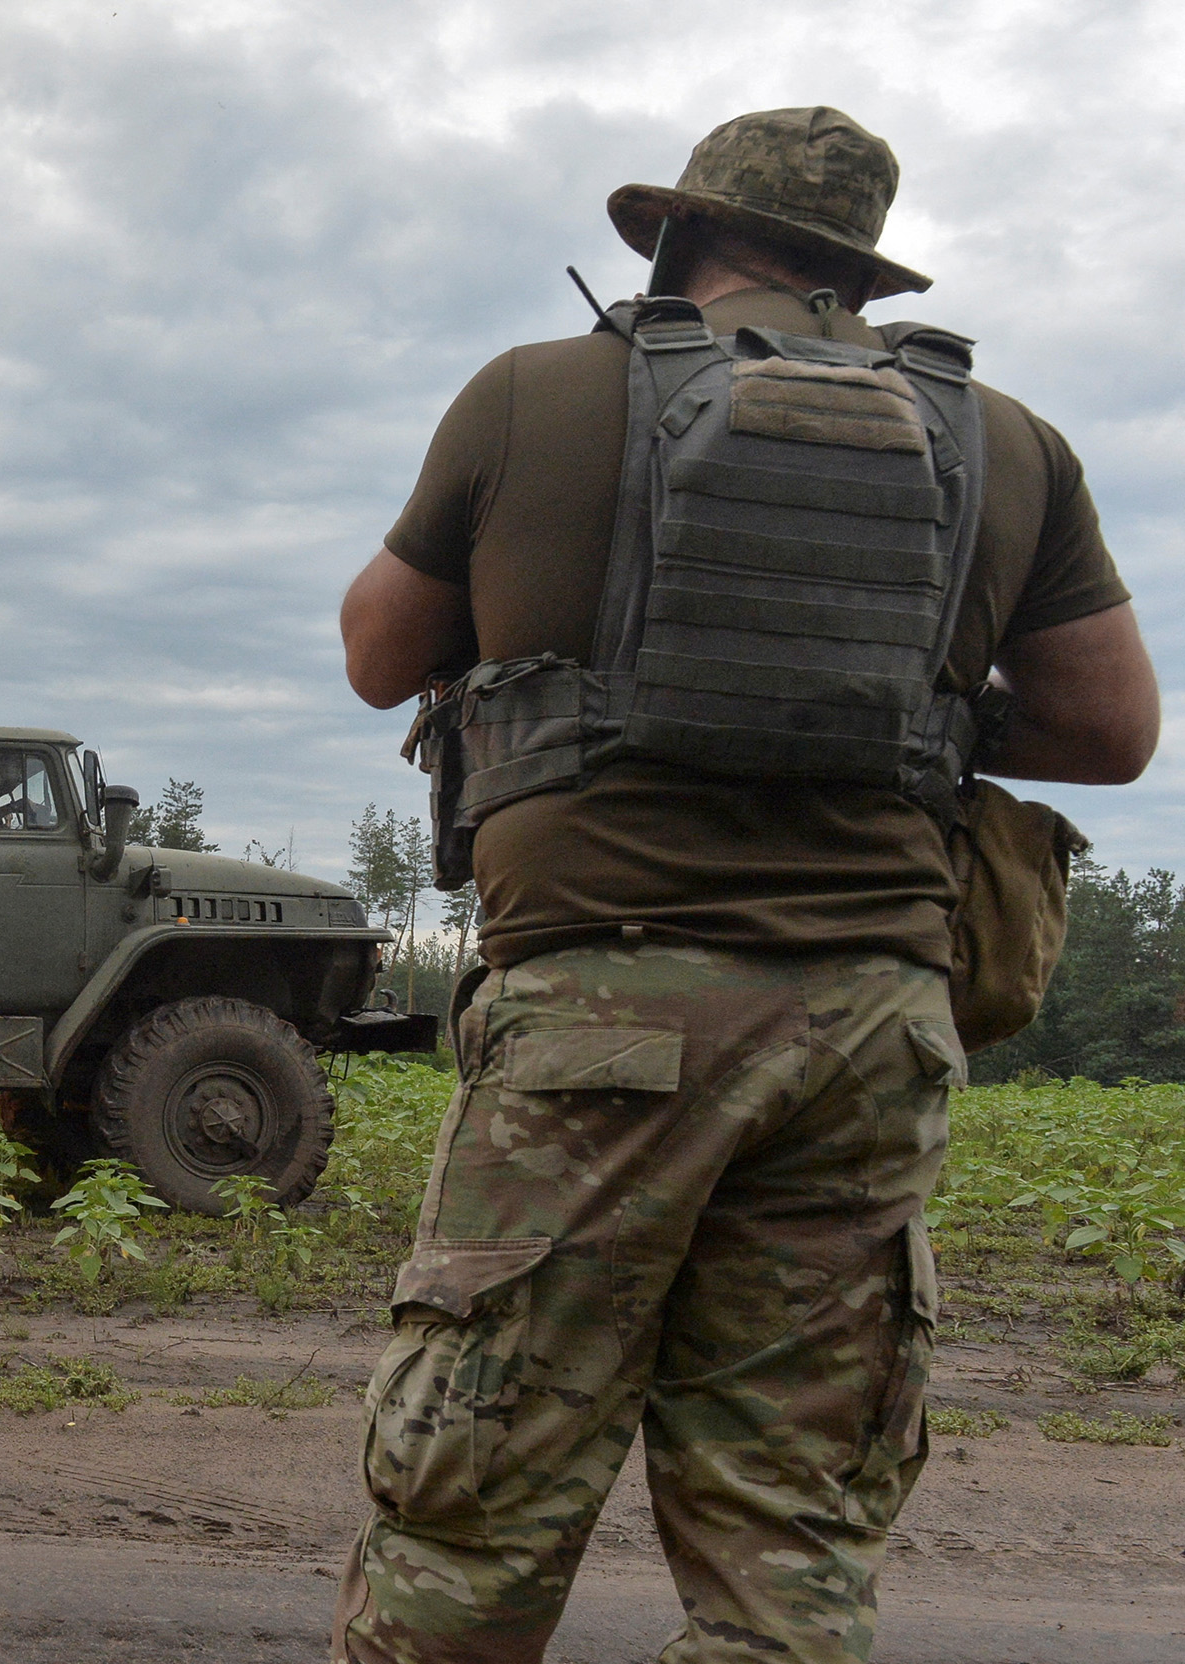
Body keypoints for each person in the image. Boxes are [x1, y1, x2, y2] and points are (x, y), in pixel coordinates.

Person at [332, 107, 1159, 1663]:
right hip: (871, 1033)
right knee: (792, 1535)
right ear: (859, 272)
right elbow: (1113, 730)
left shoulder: (534, 393)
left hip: (599, 1022)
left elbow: (381, 654)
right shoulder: (1010, 441)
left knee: (476, 1508)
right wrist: (898, 698)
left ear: (678, 238)